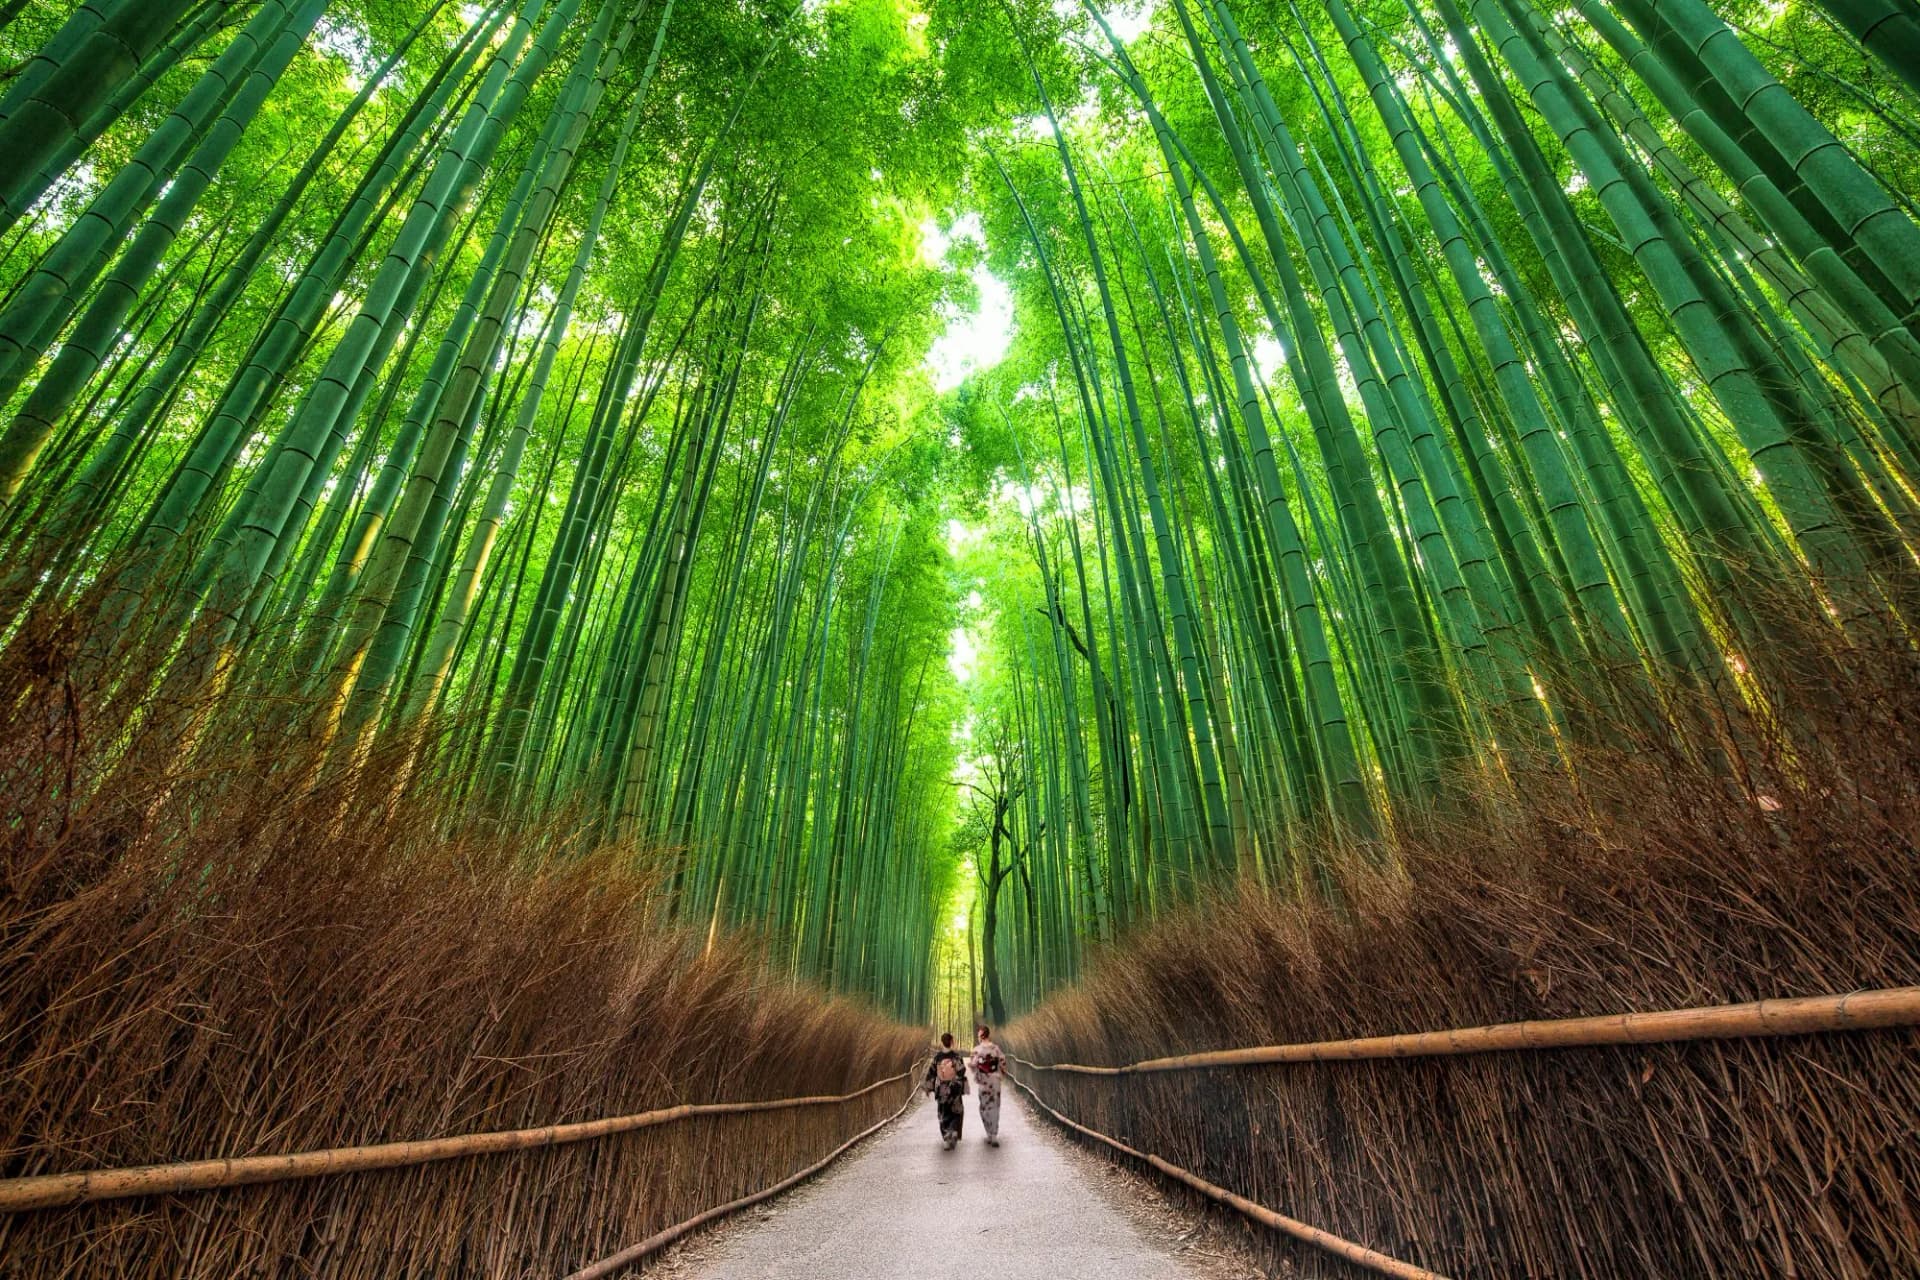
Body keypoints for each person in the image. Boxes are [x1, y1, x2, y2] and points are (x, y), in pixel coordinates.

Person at [923, 1032, 969, 1149]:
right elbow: (961, 1071)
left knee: (943, 1113)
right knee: (956, 1112)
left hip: (942, 1090)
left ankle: (947, 1136)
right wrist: (960, 1084)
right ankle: (953, 1131)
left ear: (942, 1042)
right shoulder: (956, 1056)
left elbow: (931, 1073)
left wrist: (928, 1088)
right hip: (954, 1089)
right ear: (951, 1041)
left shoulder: (937, 1057)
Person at [970, 1024, 1006, 1146]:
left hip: (984, 1082)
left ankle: (989, 1133)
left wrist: (977, 1072)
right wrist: (1000, 1075)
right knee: (995, 1106)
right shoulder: (996, 1049)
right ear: (988, 1035)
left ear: (981, 1036)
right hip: (995, 1081)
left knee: (984, 1107)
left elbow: (973, 1065)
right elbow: (1003, 1063)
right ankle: (994, 1134)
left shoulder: (976, 1050)